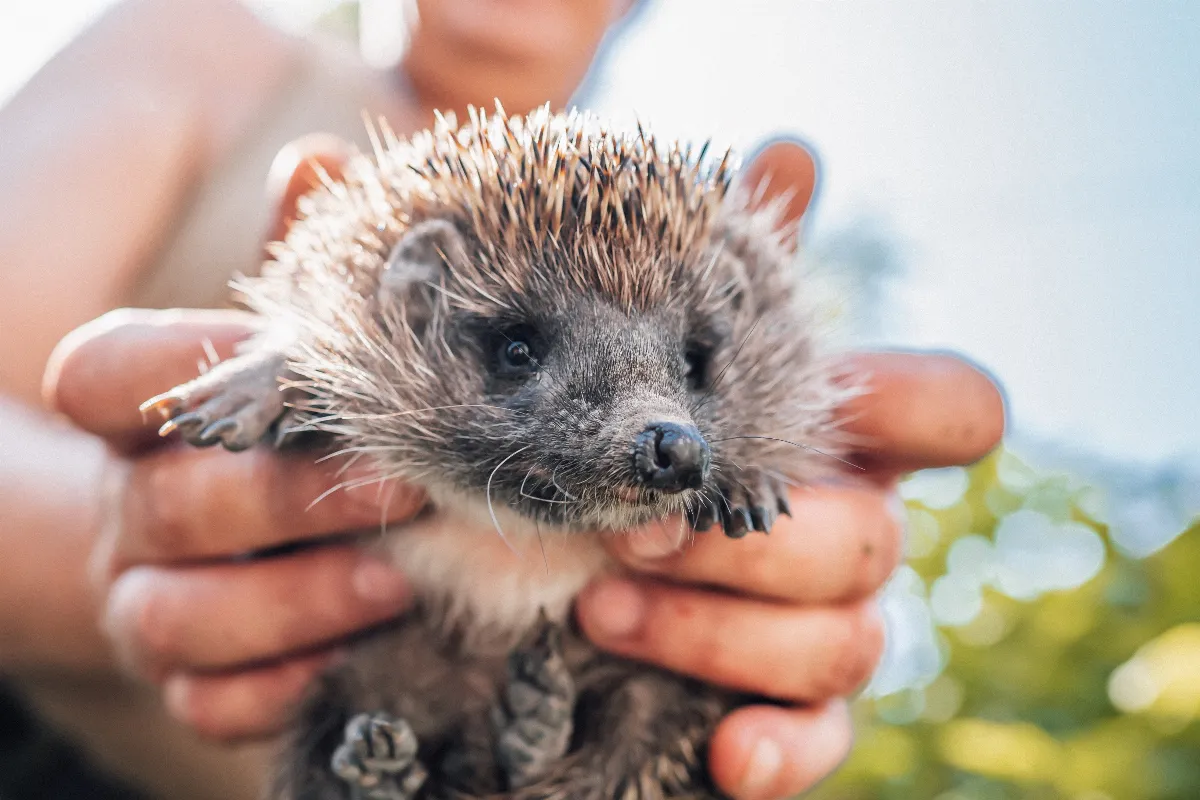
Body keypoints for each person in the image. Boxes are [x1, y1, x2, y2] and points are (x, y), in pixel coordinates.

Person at [0, 1, 1005, 799]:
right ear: (415, 287)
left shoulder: (713, 221)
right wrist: (120, 552)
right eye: (520, 350)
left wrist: (794, 567)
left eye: (691, 366)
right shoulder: (203, 46)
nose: (658, 432)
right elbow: (321, 354)